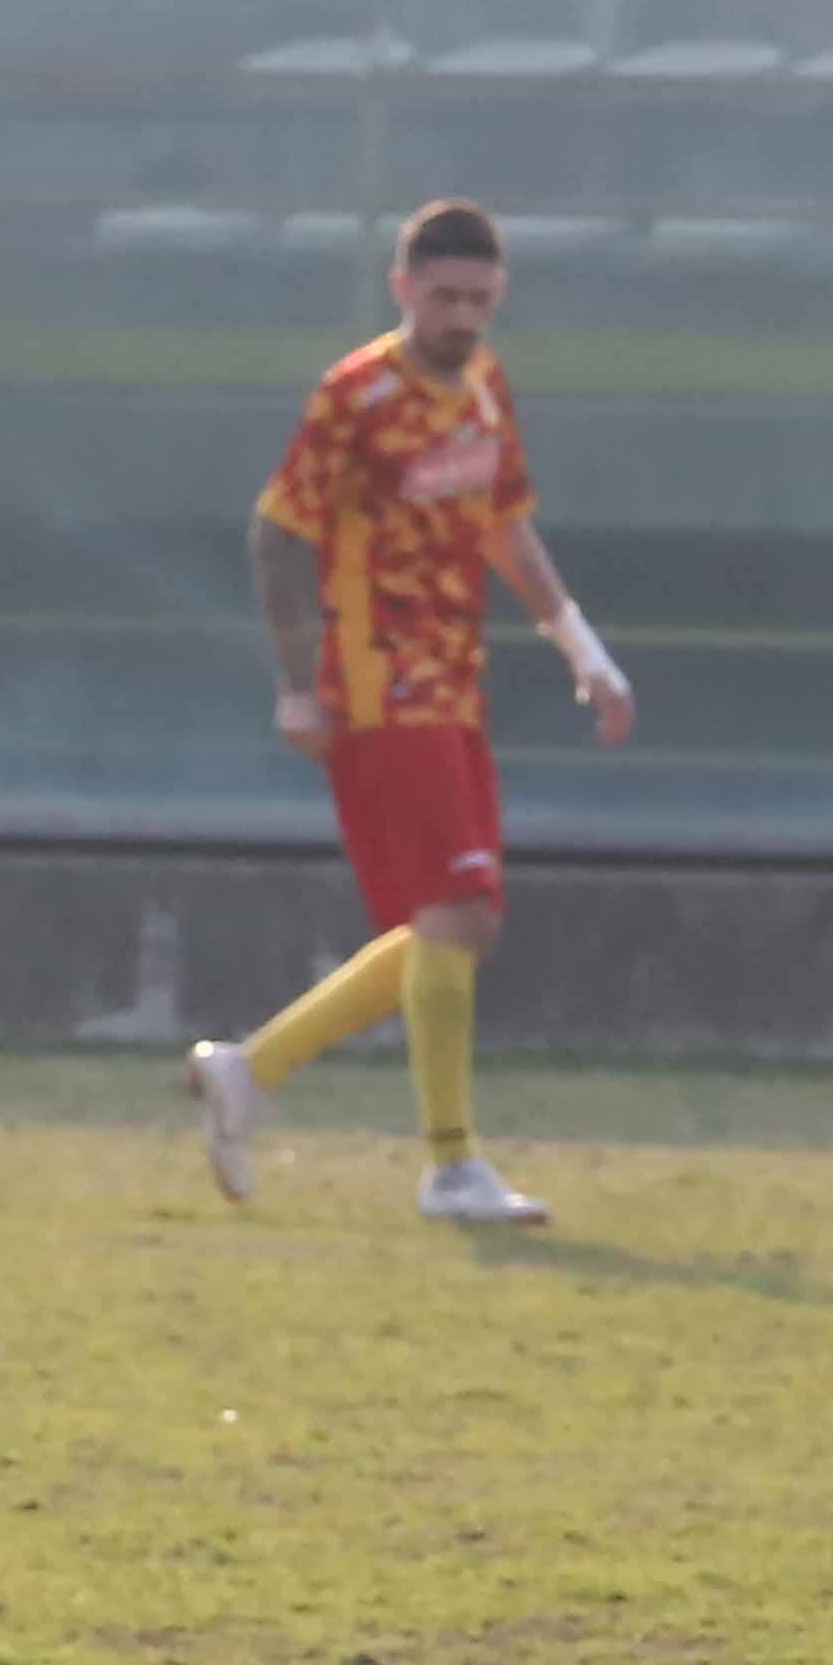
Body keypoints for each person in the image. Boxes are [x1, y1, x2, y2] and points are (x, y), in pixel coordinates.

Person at [182, 198, 633, 1228]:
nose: (462, 316)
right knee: (455, 918)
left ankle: (249, 1071)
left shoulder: (483, 387)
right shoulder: (356, 396)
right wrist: (298, 680)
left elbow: (507, 528)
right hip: (378, 685)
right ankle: (449, 1165)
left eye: (479, 298)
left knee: (450, 929)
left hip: (453, 681)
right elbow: (276, 535)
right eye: (443, 297)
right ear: (401, 290)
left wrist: (585, 655)